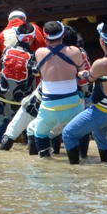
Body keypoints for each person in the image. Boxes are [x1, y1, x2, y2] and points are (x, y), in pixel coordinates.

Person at [62, 23, 107, 164]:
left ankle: (74, 172)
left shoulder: (101, 63)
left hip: (102, 112)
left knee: (68, 134)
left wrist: (81, 73)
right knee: (100, 137)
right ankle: (106, 166)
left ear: (102, 41)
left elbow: (88, 78)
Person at [28, 20, 86, 158]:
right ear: (63, 35)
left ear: (45, 37)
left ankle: (45, 161)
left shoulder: (39, 52)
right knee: (81, 130)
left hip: (49, 109)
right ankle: (81, 158)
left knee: (40, 134)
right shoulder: (75, 51)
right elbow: (82, 73)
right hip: (73, 106)